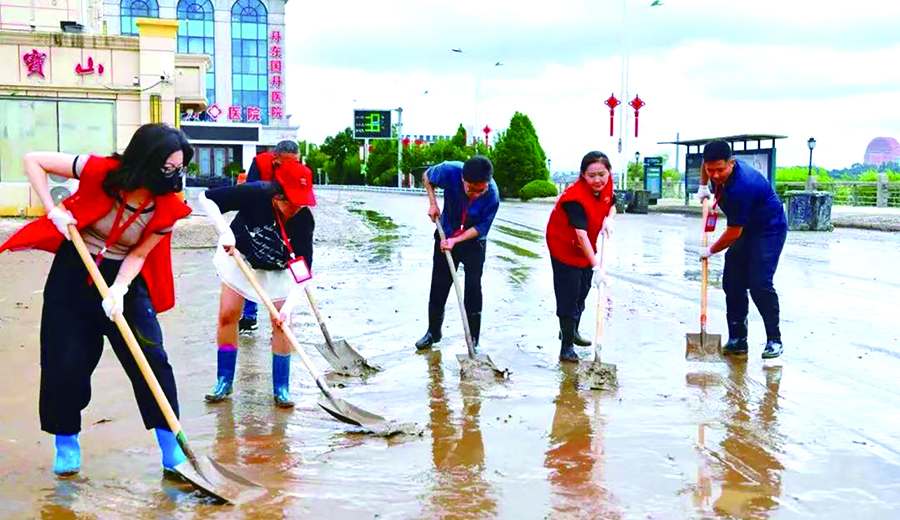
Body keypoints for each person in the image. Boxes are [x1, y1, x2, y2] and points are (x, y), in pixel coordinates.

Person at [0, 124, 194, 476]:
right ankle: (67, 442)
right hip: (74, 272)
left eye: (180, 168)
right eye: (169, 168)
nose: (175, 176)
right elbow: (34, 160)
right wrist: (53, 210)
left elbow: (139, 254)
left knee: (151, 359)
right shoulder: (100, 170)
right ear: (146, 160)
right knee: (65, 361)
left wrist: (119, 289)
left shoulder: (168, 207)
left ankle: (172, 451)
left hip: (125, 282)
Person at [199, 160, 316, 407]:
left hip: (277, 271)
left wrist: (286, 309)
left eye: (301, 201)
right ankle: (224, 380)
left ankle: (281, 388)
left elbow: (303, 274)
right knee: (228, 314)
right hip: (241, 261)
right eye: (291, 200)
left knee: (284, 326)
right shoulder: (255, 193)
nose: (296, 207)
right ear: (277, 194)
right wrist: (224, 231)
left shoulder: (303, 221)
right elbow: (205, 198)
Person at [696, 140, 788, 359]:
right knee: (732, 281)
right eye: (711, 170)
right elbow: (704, 165)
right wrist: (703, 184)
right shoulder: (712, 168)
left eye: (720, 169)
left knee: (759, 284)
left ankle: (774, 340)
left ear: (732, 163)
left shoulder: (741, 187)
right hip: (746, 228)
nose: (715, 175)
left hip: (768, 230)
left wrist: (710, 250)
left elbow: (733, 234)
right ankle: (738, 340)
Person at [415, 156, 500, 351]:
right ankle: (433, 332)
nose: (476, 195)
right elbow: (427, 177)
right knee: (439, 284)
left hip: (473, 243)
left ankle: (474, 340)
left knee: (473, 287)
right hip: (446, 233)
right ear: (462, 179)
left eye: (481, 190)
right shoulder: (449, 171)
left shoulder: (492, 195)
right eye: (471, 189)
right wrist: (433, 203)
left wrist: (457, 240)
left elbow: (481, 227)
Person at [545, 151, 617, 362]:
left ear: (608, 172)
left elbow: (612, 203)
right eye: (592, 175)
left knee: (583, 289)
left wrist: (609, 219)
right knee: (568, 292)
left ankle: (571, 330)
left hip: (586, 246)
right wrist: (597, 267)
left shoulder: (607, 184)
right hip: (563, 245)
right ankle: (566, 347)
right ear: (583, 175)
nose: (598, 180)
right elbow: (580, 234)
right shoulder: (574, 198)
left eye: (602, 174)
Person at [239, 140, 302, 333]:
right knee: (254, 266)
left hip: (287, 219)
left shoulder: (299, 170)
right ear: (276, 159)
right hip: (259, 219)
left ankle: (284, 315)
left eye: (295, 162)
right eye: (287, 163)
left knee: (288, 265)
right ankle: (250, 317)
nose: (292, 166)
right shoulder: (260, 163)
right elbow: (249, 195)